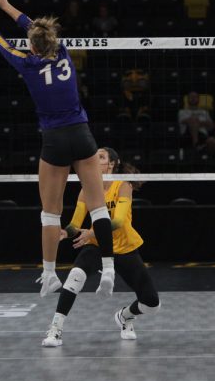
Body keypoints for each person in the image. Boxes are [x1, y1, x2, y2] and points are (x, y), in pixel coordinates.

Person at [0, 0, 115, 297]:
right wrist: (6, 5)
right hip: (82, 135)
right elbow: (34, 27)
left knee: (50, 211)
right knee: (98, 208)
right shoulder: (63, 51)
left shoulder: (27, 62)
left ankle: (50, 274)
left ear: (32, 46)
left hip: (55, 141)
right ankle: (108, 270)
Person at [42, 147, 159, 347]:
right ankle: (55, 329)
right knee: (74, 277)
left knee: (151, 304)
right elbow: (76, 223)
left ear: (112, 164)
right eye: (94, 157)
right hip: (97, 246)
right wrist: (65, 232)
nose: (95, 160)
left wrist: (91, 233)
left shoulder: (123, 185)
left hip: (124, 247)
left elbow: (118, 222)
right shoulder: (86, 188)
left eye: (101, 157)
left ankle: (125, 316)